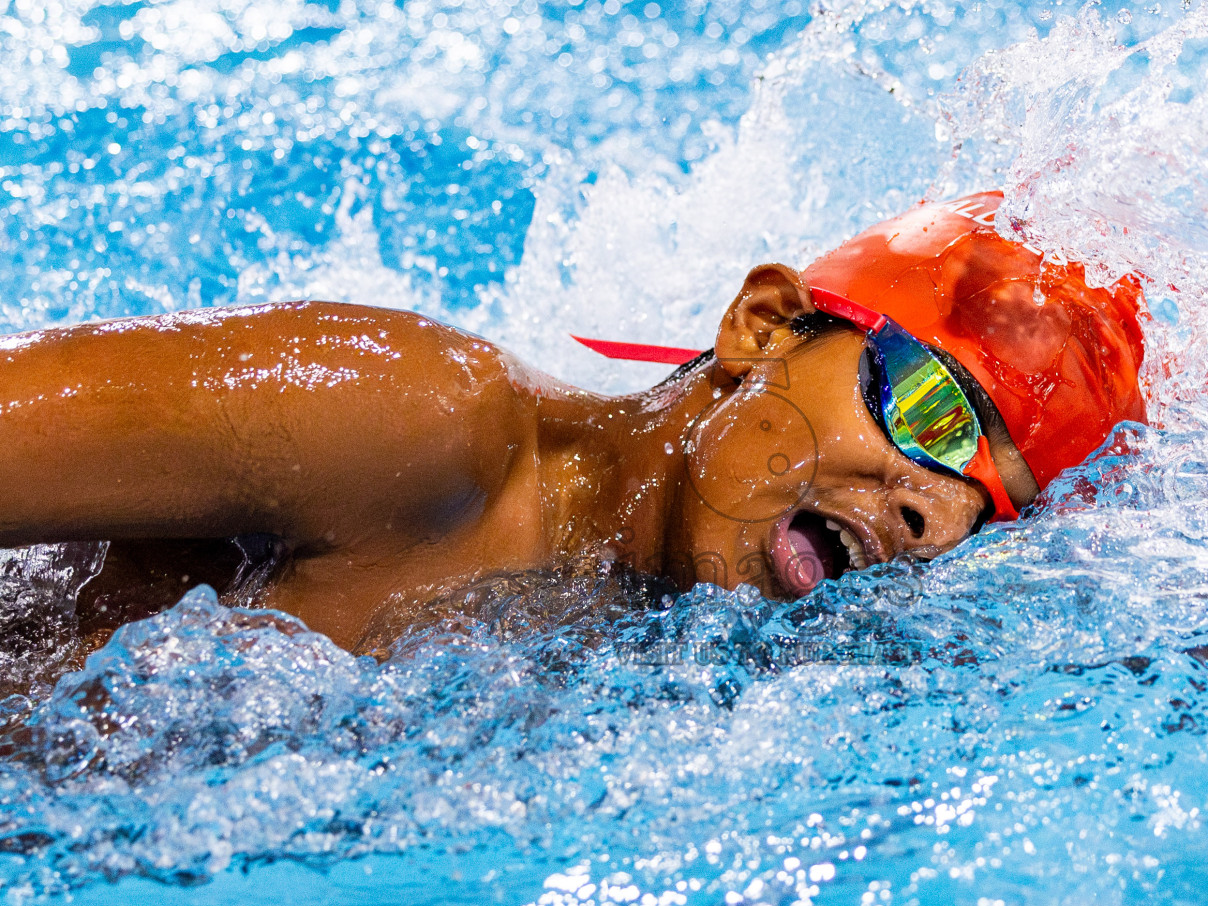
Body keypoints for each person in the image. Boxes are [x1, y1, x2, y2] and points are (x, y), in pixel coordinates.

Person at [0, 191, 1146, 653]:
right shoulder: (407, 422)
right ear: (766, 325)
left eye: (989, 508)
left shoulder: (682, 663)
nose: (932, 509)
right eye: (936, 413)